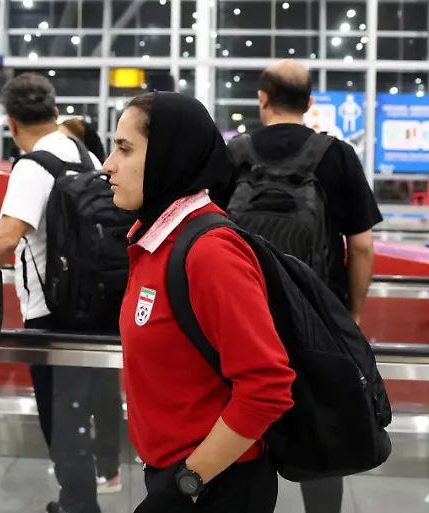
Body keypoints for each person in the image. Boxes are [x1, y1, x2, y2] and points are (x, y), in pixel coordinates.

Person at [104, 90, 296, 512]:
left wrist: (186, 482)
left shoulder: (208, 252)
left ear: (169, 157)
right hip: (180, 478)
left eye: (124, 149)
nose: (108, 165)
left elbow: (267, 387)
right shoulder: (154, 240)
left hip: (216, 487)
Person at [217, 60, 382, 513]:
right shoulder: (337, 155)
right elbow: (363, 247)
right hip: (316, 323)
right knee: (323, 433)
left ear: (262, 98)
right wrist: (351, 314)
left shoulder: (234, 154)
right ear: (310, 104)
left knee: (242, 430)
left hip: (242, 320)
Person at [0, 72, 107, 513]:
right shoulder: (86, 155)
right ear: (55, 113)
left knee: (60, 416)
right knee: (77, 411)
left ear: (11, 123)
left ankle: (77, 504)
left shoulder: (32, 166)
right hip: (93, 304)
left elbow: (4, 240)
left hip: (48, 312)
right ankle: (78, 498)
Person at [57, 116, 123, 495]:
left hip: (82, 302)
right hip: (114, 298)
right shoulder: (106, 182)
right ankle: (106, 468)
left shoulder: (77, 186)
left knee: (85, 391)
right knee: (102, 388)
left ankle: (92, 474)